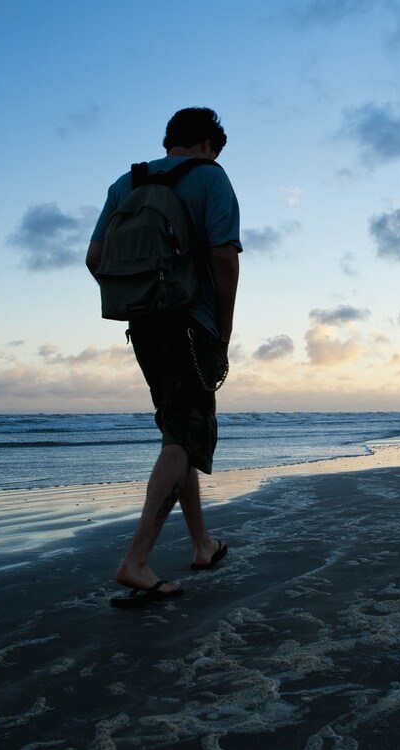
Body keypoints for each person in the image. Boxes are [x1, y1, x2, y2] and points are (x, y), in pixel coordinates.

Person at [85, 107, 242, 608]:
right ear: (208, 144)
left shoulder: (125, 184)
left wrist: (141, 297)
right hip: (193, 323)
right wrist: (223, 325)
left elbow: (94, 258)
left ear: (169, 140)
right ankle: (135, 562)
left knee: (179, 430)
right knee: (186, 433)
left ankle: (202, 545)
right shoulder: (211, 179)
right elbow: (223, 256)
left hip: (143, 324)